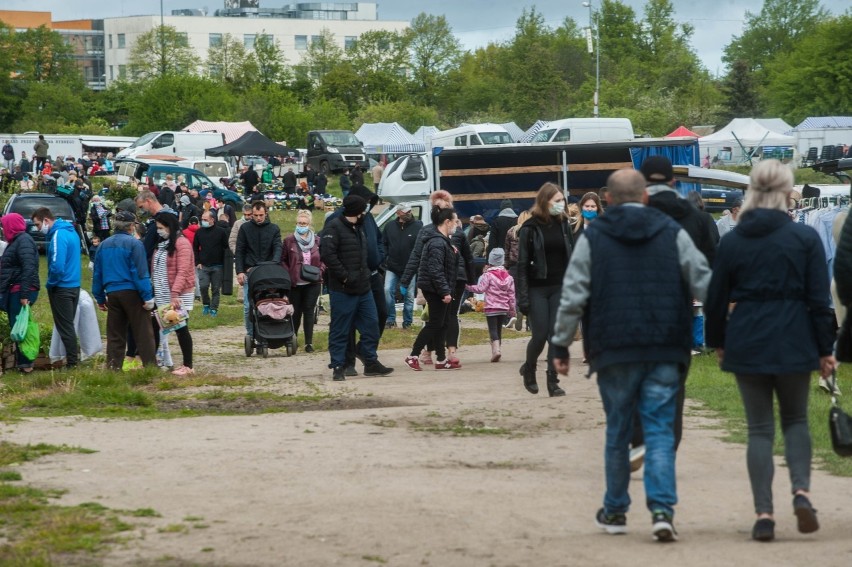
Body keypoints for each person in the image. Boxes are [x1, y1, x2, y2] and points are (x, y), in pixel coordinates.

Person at [551, 168, 711, 543]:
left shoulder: (595, 237)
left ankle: (615, 509)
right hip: (665, 344)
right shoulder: (673, 232)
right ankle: (661, 510)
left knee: (618, 428)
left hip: (614, 348)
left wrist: (560, 345)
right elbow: (704, 279)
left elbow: (573, 293)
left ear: (607, 199)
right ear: (645, 198)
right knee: (658, 430)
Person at [705, 160, 834, 542]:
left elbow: (715, 299)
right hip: (795, 334)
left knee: (759, 429)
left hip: (748, 336)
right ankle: (802, 492)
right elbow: (819, 300)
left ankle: (763, 513)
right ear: (787, 192)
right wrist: (825, 348)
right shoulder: (804, 238)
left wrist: (719, 341)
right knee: (795, 421)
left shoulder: (733, 240)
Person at [320, 195, 393, 381]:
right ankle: (338, 365)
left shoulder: (359, 227)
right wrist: (345, 276)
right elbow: (327, 255)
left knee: (372, 326)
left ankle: (370, 361)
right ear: (356, 211)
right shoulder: (334, 227)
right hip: (342, 289)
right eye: (363, 210)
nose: (365, 213)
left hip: (364, 287)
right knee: (340, 329)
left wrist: (366, 274)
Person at [516, 182, 574, 397]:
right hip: (537, 287)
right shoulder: (530, 228)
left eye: (563, 200)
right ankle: (529, 368)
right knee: (540, 335)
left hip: (560, 286)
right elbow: (521, 265)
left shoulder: (564, 224)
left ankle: (553, 381)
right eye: (557, 201)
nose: (562, 204)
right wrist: (522, 298)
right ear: (545, 201)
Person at [92, 211, 157, 370]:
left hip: (112, 293)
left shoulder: (103, 245)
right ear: (131, 226)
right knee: (143, 332)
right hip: (132, 292)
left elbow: (98, 273)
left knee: (115, 333)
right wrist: (147, 297)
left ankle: (113, 367)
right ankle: (150, 367)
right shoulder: (135, 244)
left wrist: (100, 298)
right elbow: (140, 272)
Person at [400, 190, 455, 365]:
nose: (440, 209)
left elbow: (460, 258)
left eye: (444, 206)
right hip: (435, 283)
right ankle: (419, 354)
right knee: (434, 322)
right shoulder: (430, 234)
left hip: (445, 281)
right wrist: (405, 280)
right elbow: (418, 258)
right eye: (437, 207)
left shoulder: (453, 231)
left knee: (441, 322)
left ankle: (440, 357)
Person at [31, 207, 81, 370]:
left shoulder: (58, 235)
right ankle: (72, 359)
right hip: (74, 284)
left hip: (62, 286)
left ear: (46, 220)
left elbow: (57, 265)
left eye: (38, 225)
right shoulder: (71, 231)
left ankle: (72, 363)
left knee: (65, 327)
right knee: (68, 325)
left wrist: (50, 283)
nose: (38, 229)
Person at [152, 212, 196, 376]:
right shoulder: (163, 244)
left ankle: (188, 365)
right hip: (162, 292)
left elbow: (183, 271)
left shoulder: (182, 243)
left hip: (177, 294)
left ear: (170, 226)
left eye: (161, 228)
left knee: (180, 327)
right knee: (155, 326)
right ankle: (154, 362)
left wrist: (175, 293)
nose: (159, 231)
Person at [0, 213, 41, 373]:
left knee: (21, 328)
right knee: (16, 326)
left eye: (5, 226)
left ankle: (26, 364)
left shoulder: (23, 241)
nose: (3, 230)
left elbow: (28, 268)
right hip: (15, 290)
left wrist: (24, 294)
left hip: (21, 291)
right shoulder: (17, 241)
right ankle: (22, 362)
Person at [235, 202, 282, 336]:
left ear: (265, 213)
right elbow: (240, 251)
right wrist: (239, 271)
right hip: (250, 272)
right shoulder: (245, 228)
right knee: (248, 306)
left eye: (261, 215)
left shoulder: (274, 229)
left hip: (268, 271)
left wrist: (274, 262)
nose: (258, 218)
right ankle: (251, 334)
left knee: (269, 303)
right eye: (255, 215)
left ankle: (269, 332)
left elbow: (278, 247)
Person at [280, 210, 323, 353]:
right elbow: (283, 260)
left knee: (309, 311)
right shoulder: (289, 241)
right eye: (299, 223)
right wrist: (288, 274)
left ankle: (309, 343)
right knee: (296, 312)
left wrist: (320, 270)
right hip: (295, 283)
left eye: (304, 223)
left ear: (309, 224)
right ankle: (293, 339)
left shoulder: (317, 241)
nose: (301, 225)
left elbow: (324, 258)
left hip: (313, 282)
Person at [465, 248, 515, 362]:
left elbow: (480, 289)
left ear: (490, 261)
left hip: (491, 307)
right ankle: (499, 350)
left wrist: (468, 287)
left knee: (492, 330)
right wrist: (512, 310)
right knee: (498, 330)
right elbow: (512, 295)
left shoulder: (488, 275)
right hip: (503, 308)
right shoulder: (509, 277)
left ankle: (495, 351)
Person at [382, 204, 422, 329]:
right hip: (392, 266)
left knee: (409, 296)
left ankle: (407, 322)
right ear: (398, 213)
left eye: (410, 211)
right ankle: (390, 319)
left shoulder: (418, 226)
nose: (409, 213)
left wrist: (417, 263)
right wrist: (385, 259)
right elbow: (383, 244)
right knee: (387, 290)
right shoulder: (389, 227)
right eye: (406, 211)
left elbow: (421, 246)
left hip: (410, 267)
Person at [193, 210, 229, 317]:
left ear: (212, 220)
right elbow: (195, 247)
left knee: (215, 288)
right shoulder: (199, 232)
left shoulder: (221, 232)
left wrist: (225, 262)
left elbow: (226, 247)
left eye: (205, 220)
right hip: (203, 265)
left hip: (217, 265)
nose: (203, 221)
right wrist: (197, 261)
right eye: (202, 219)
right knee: (203, 287)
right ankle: (206, 304)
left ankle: (214, 308)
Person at [230, 204, 253, 301]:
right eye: (245, 215)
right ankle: (242, 297)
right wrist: (238, 253)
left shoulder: (257, 223)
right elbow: (232, 240)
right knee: (242, 276)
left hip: (254, 256)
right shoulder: (238, 224)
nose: (247, 217)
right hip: (242, 257)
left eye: (249, 214)